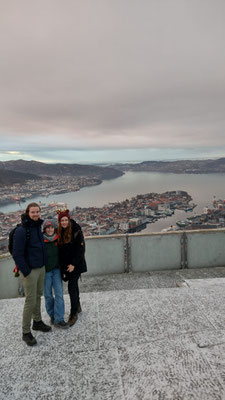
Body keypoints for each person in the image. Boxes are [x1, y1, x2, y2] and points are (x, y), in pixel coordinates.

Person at [12, 202, 51, 346]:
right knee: (30, 300)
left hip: (40, 268)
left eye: (37, 212)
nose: (35, 214)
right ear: (28, 213)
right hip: (30, 271)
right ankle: (25, 332)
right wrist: (26, 271)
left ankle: (37, 321)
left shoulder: (37, 227)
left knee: (38, 296)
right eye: (33, 212)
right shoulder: (22, 231)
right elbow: (17, 254)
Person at [57, 209, 87, 326]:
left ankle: (73, 312)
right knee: (74, 286)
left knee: (71, 286)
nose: (64, 222)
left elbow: (81, 250)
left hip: (76, 264)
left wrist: (73, 264)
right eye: (62, 221)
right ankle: (78, 305)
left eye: (65, 220)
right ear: (59, 222)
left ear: (69, 220)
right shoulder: (59, 232)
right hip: (66, 265)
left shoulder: (76, 230)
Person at [43, 217, 68, 329]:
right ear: (44, 229)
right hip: (46, 272)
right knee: (48, 295)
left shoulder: (59, 239)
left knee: (59, 294)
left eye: (51, 227)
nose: (49, 230)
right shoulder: (41, 241)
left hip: (57, 270)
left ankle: (59, 319)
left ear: (54, 228)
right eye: (47, 228)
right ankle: (52, 315)